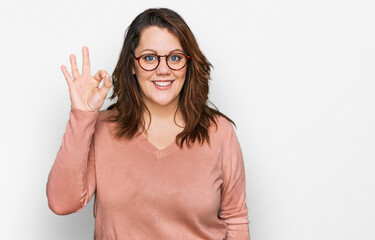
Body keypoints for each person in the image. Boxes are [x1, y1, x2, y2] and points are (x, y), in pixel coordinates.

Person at [46, 7, 250, 240]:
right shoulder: (102, 128)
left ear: (188, 63)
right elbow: (62, 203)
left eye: (175, 57)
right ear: (132, 65)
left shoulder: (219, 132)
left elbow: (235, 219)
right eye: (149, 58)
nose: (163, 69)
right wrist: (82, 115)